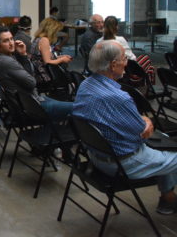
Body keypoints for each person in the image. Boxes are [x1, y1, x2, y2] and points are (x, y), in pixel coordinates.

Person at [74, 40, 177, 215]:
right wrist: (146, 120)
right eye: (124, 58)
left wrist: (142, 121)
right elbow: (144, 133)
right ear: (113, 65)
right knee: (165, 146)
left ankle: (168, 199)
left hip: (96, 156)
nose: (127, 62)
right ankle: (167, 199)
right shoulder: (119, 98)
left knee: (165, 143)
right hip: (123, 164)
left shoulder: (85, 85)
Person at [0, 26, 73, 121]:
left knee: (72, 106)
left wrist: (22, 55)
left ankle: (53, 132)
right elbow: (32, 82)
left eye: (11, 39)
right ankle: (54, 133)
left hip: (31, 102)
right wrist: (24, 57)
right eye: (6, 41)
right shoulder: (6, 62)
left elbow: (29, 79)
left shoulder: (2, 59)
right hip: (33, 108)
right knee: (78, 107)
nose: (11, 43)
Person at [97, 15, 155, 84]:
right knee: (146, 59)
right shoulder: (120, 40)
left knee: (147, 66)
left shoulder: (98, 41)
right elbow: (131, 58)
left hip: (106, 72)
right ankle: (148, 86)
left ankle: (147, 86)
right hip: (124, 72)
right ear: (116, 27)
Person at [30, 17, 73, 85]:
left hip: (37, 72)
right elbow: (47, 62)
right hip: (44, 75)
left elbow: (44, 57)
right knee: (71, 77)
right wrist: (62, 60)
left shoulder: (38, 38)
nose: (57, 33)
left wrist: (61, 57)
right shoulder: (44, 40)